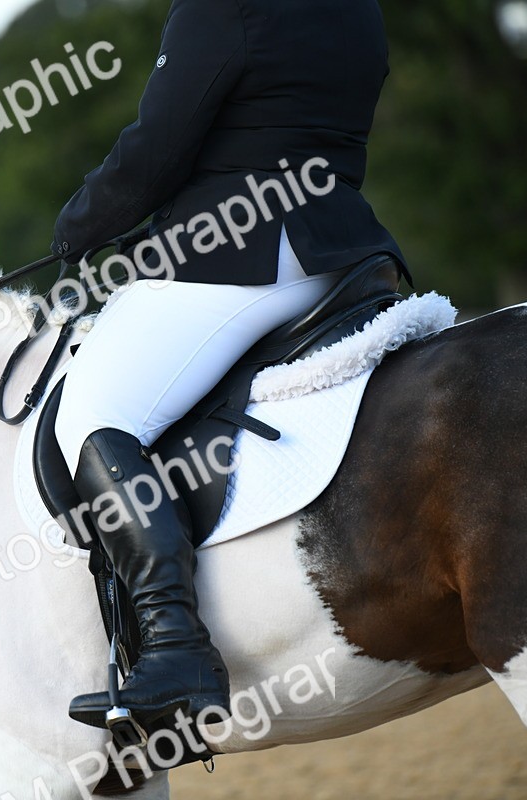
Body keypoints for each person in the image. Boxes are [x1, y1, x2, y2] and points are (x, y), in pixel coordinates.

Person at [51, 0, 406, 730]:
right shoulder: (361, 10)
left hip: (240, 248)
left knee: (92, 415)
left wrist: (78, 227)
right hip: (342, 245)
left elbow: (157, 147)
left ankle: (175, 646)